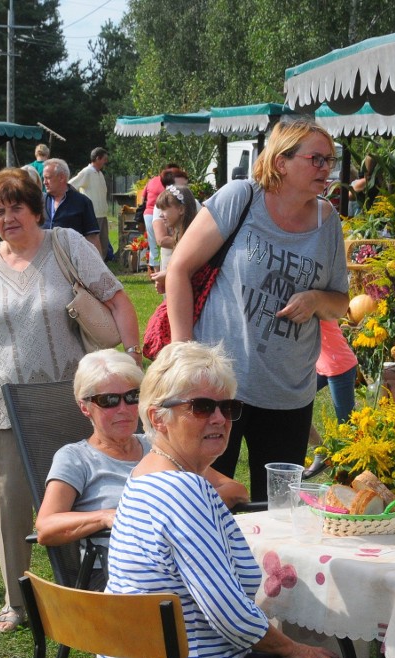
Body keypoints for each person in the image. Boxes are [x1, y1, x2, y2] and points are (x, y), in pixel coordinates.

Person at [99, 341, 364, 658]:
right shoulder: (182, 490)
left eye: (228, 407)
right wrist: (294, 649)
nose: (220, 419)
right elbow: (228, 613)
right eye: (201, 407)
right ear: (159, 417)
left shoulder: (145, 475)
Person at [0, 168, 140, 632]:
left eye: (17, 207)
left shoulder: (66, 245)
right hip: (6, 403)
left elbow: (116, 298)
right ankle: (16, 601)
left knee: (81, 496)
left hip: (73, 400)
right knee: (12, 503)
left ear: (36, 209)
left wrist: (132, 360)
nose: (8, 217)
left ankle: (86, 591)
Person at [165, 119, 349, 500]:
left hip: (289, 391)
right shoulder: (241, 198)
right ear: (281, 162)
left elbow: (340, 303)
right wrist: (184, 355)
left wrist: (315, 300)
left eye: (330, 160)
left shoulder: (327, 220)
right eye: (316, 159)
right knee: (207, 501)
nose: (326, 169)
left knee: (278, 512)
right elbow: (179, 268)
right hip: (219, 387)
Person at [36, 348, 249, 591]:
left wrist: (185, 508)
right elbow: (46, 526)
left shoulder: (159, 446)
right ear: (85, 407)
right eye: (109, 401)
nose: (124, 409)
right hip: (117, 576)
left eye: (132, 396)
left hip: (185, 564)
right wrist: (107, 516)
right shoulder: (76, 458)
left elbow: (236, 490)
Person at [43, 158, 103, 257]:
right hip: (44, 262)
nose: (44, 182)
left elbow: (92, 237)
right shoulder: (40, 201)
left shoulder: (82, 202)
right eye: (43, 178)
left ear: (61, 178)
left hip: (71, 262)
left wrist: (99, 267)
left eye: (48, 178)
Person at [149, 184, 198, 292]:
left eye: (164, 210)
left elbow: (193, 273)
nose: (161, 215)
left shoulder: (191, 241)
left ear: (181, 209)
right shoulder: (181, 236)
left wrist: (168, 275)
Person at [69, 147, 114, 261]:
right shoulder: (87, 172)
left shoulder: (99, 174)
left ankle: (101, 267)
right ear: (98, 159)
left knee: (103, 243)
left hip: (102, 214)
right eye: (104, 159)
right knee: (93, 244)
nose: (105, 162)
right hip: (92, 214)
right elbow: (70, 185)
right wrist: (79, 203)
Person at [141, 163, 180, 273]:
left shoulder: (152, 180)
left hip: (148, 213)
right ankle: (161, 272)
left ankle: (156, 273)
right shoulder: (171, 186)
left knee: (153, 245)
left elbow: (142, 197)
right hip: (162, 211)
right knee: (163, 241)